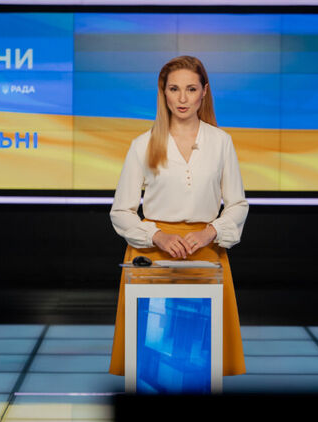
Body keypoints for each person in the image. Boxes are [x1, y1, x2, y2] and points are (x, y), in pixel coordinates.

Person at [108, 55, 248, 377]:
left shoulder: (221, 142)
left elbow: (237, 205)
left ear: (204, 92)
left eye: (191, 89)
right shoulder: (142, 144)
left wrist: (209, 232)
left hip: (206, 255)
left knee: (201, 360)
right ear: (164, 93)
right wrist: (158, 236)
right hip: (154, 256)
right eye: (174, 89)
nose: (183, 98)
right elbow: (121, 211)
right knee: (151, 362)